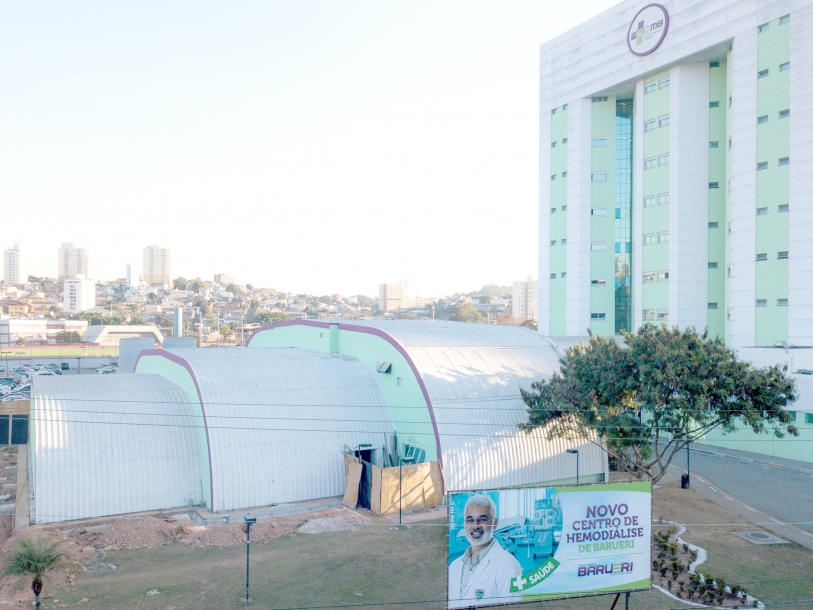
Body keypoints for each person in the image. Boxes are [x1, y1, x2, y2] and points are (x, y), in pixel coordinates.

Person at [448, 494, 522, 608]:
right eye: (470, 520)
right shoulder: (454, 567)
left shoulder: (508, 565)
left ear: (495, 523)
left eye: (482, 520)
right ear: (464, 524)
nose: (475, 526)